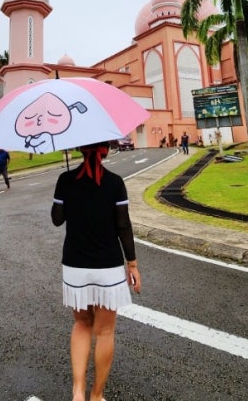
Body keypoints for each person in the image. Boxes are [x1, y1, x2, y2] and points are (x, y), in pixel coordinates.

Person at [51, 141, 141, 401]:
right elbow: (123, 225)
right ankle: (96, 395)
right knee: (104, 331)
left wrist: (67, 197)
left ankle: (77, 391)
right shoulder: (115, 183)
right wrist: (132, 264)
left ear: (79, 149)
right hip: (108, 267)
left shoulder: (65, 179)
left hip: (75, 265)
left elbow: (57, 219)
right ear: (105, 151)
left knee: (81, 324)